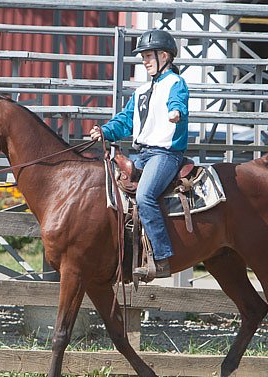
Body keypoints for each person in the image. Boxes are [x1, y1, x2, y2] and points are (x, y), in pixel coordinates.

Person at [90, 29, 188, 279]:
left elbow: (178, 102)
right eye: (142, 56)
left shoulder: (175, 83)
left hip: (165, 155)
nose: (144, 61)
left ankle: (161, 256)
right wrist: (105, 131)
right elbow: (125, 121)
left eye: (147, 56)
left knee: (145, 196)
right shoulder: (142, 91)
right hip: (142, 153)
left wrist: (176, 112)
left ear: (164, 56)